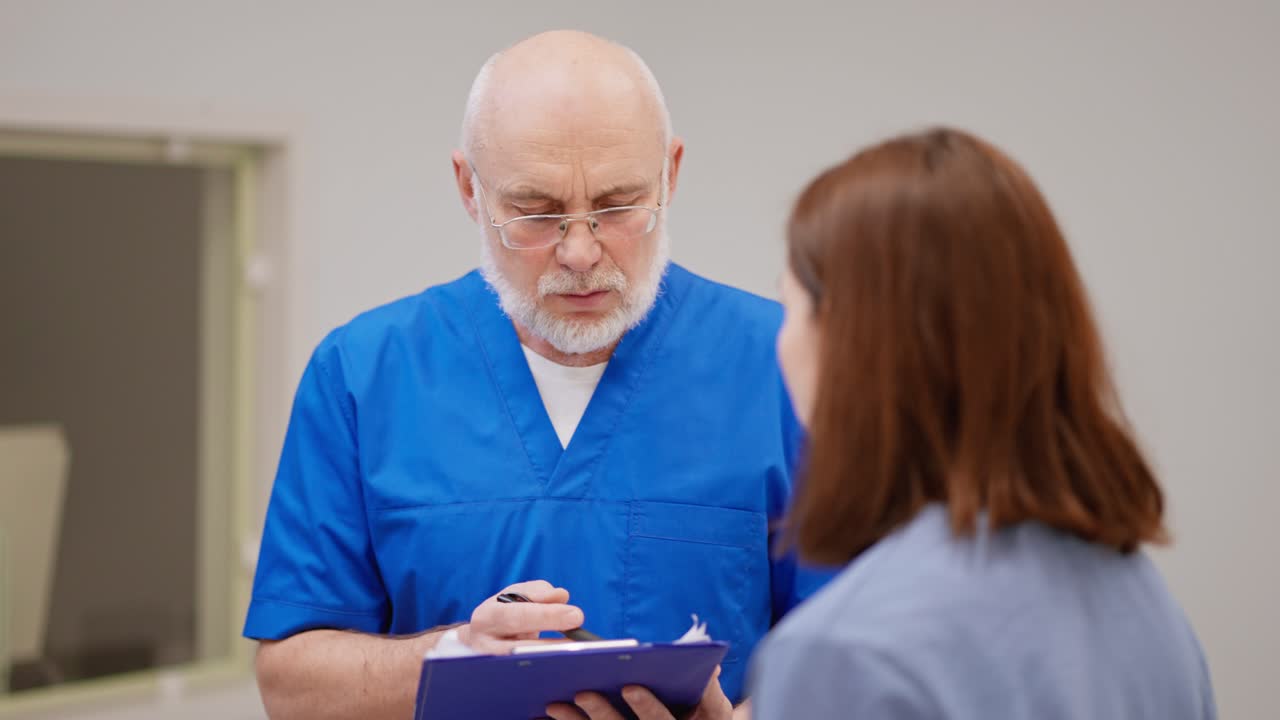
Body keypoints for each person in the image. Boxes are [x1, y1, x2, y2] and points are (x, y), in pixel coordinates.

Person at [246, 31, 827, 720]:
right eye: (536, 212)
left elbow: (857, 650)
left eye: (617, 206)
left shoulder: (786, 366)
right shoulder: (362, 375)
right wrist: (453, 658)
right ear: (469, 188)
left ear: (670, 174)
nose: (580, 253)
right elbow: (290, 684)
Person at [750, 128, 1216, 719]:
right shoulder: (1147, 606)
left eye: (791, 307)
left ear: (856, 346)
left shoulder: (844, 653)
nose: (780, 342)